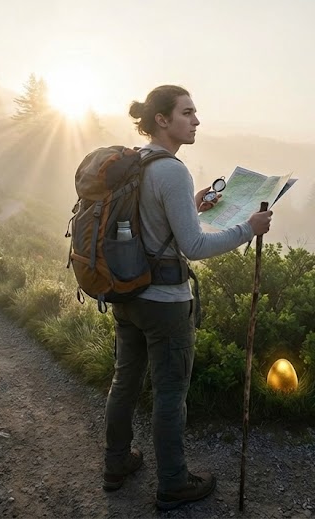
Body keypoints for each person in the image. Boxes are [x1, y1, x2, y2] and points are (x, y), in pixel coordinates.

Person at [103, 85, 272, 511]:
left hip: (127, 293)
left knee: (124, 382)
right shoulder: (173, 170)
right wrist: (249, 228)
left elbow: (152, 223)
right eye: (188, 112)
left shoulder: (136, 163)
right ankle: (174, 483)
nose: (196, 121)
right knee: (169, 394)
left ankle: (116, 464)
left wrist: (192, 207)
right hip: (165, 303)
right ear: (162, 119)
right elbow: (194, 247)